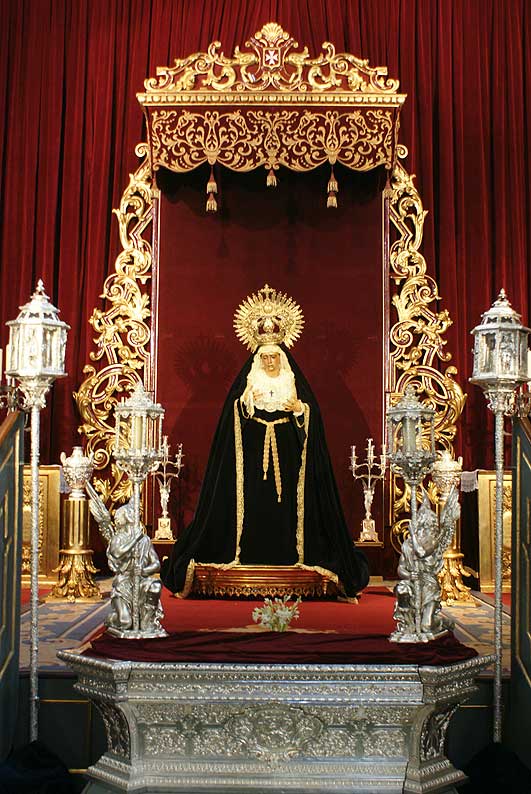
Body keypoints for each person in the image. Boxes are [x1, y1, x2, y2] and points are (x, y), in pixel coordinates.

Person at [161, 285, 369, 599]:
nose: (270, 362)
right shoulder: (248, 384)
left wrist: (300, 410)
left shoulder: (292, 381)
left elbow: (311, 421)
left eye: (274, 357)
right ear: (258, 359)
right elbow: (232, 420)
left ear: (282, 358)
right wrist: (245, 405)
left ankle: (292, 556)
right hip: (251, 457)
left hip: (288, 456)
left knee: (289, 509)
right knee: (251, 505)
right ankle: (249, 554)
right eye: (266, 357)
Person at [88, 486, 166, 636]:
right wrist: (134, 540)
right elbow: (117, 554)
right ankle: (112, 620)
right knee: (125, 623)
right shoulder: (118, 538)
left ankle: (147, 621)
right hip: (123, 584)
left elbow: (156, 564)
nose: (117, 518)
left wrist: (144, 570)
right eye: (121, 514)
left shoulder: (144, 540)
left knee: (155, 586)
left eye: (122, 514)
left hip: (141, 581)